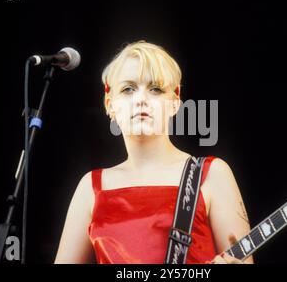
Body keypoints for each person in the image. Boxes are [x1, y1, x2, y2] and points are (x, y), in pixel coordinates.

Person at [54, 40, 253, 264]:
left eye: (155, 89)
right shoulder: (91, 187)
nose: (141, 99)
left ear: (175, 101)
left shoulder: (211, 173)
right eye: (128, 89)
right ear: (110, 105)